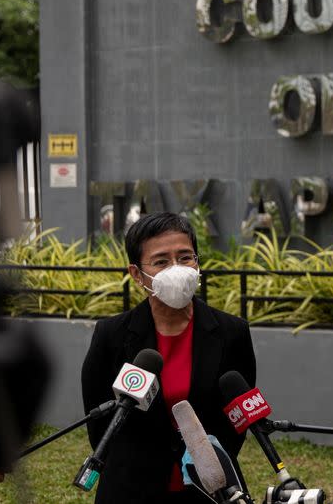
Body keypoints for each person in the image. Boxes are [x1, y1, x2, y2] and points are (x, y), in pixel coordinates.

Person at [81, 212, 257, 504]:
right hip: (131, 489)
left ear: (197, 262)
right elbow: (101, 426)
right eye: (161, 261)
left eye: (185, 257)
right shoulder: (110, 335)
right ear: (137, 274)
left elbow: (236, 418)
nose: (176, 268)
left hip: (211, 488)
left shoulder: (232, 332)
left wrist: (207, 464)